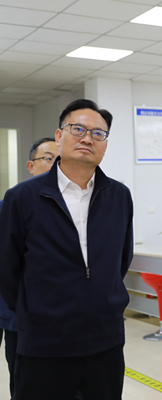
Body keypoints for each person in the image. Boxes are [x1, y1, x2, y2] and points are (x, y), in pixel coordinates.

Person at [0, 99, 134, 400]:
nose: (88, 138)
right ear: (59, 136)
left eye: (98, 133)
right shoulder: (22, 197)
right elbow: (7, 268)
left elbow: (120, 261)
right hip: (44, 342)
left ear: (105, 144)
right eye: (78, 129)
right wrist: (35, 310)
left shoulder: (119, 196)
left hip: (105, 341)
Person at [0, 137, 59, 399]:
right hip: (14, 309)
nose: (55, 165)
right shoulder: (11, 203)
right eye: (48, 159)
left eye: (60, 159)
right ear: (31, 166)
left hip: (51, 314)